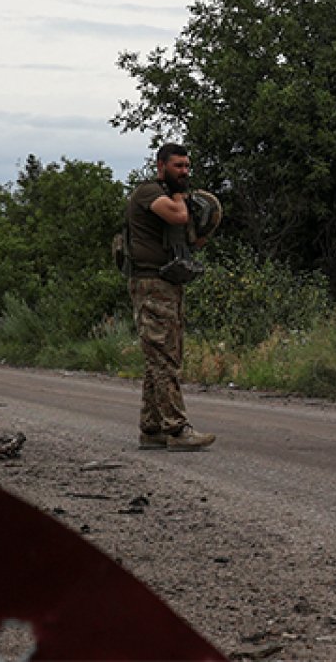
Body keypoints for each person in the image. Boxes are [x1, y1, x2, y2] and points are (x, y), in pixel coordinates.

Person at [125, 142, 216, 452]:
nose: (184, 172)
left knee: (161, 357)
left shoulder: (179, 199)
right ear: (161, 166)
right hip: (150, 283)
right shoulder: (148, 192)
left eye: (187, 166)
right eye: (178, 166)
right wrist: (183, 198)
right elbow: (178, 216)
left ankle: (151, 429)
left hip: (170, 282)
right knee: (164, 358)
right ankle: (177, 430)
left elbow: (195, 238)